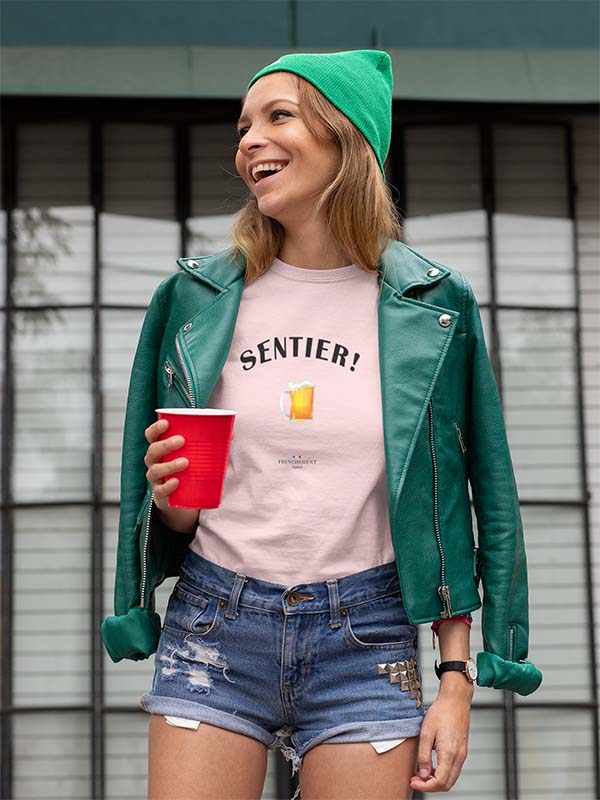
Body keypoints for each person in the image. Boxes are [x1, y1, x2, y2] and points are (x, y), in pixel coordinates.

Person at [101, 49, 542, 800]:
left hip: (365, 638)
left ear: (347, 137)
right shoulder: (194, 298)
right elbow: (175, 514)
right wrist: (170, 496)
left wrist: (457, 680)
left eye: (278, 117)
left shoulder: (434, 305)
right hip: (214, 623)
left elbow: (472, 495)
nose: (249, 140)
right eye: (243, 127)